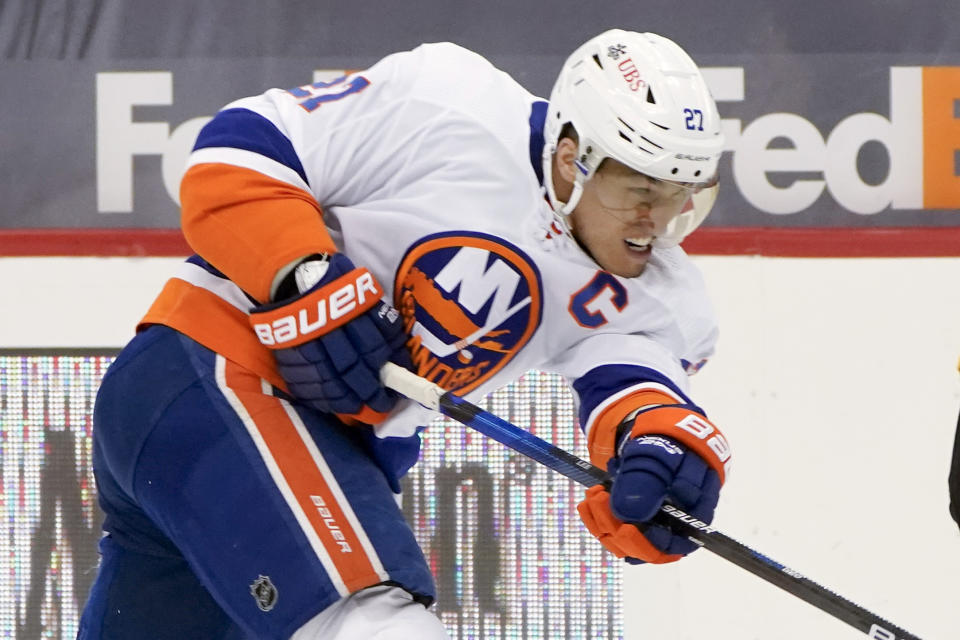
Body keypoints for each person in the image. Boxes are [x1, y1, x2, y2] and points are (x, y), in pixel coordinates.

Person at [79, 29, 730, 639]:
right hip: (214, 374)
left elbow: (636, 392)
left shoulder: (657, 295)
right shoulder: (452, 105)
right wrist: (305, 279)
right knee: (375, 624)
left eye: (679, 196)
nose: (656, 221)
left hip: (278, 457)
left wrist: (660, 462)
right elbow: (237, 150)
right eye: (638, 190)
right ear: (571, 158)